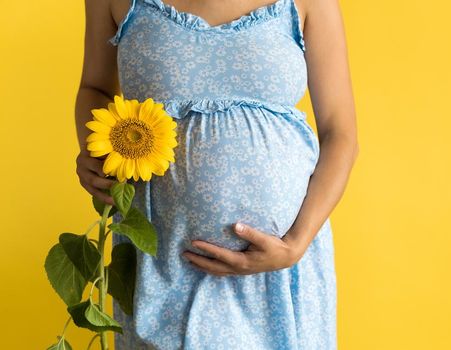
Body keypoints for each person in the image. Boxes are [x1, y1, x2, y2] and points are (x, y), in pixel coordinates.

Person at [73, 0, 358, 348]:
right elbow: (96, 88)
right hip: (165, 258)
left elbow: (340, 133)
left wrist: (295, 243)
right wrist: (94, 150)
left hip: (279, 268)